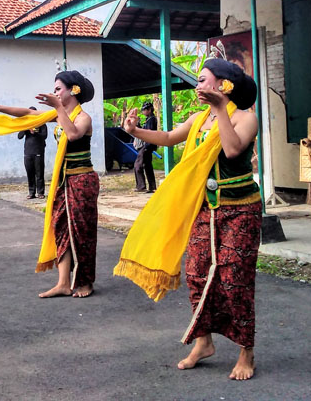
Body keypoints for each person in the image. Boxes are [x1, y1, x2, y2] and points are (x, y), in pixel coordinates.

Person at [119, 58, 260, 380]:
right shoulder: (198, 119)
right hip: (203, 208)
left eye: (203, 80)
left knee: (234, 280)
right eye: (198, 81)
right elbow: (170, 137)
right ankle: (203, 342)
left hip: (240, 210)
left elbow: (233, 150)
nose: (198, 86)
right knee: (196, 274)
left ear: (224, 85)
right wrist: (135, 131)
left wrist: (221, 109)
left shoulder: (245, 118)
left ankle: (246, 351)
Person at [0, 70, 99, 298]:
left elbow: (72, 135)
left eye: (58, 89)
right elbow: (27, 113)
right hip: (63, 180)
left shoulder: (83, 118)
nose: (54, 93)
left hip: (82, 180)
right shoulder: (57, 114)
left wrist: (58, 108)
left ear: (74, 90)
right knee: (61, 228)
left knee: (82, 231)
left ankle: (85, 282)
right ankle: (63, 283)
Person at [18, 107, 47, 199]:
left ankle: (40, 193)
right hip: (28, 152)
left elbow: (44, 136)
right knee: (30, 173)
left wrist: (34, 133)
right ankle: (31, 193)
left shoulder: (41, 123)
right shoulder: (26, 124)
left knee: (39, 173)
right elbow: (19, 136)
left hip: (38, 151)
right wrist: (25, 127)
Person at [133, 101, 157, 193]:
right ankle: (152, 186)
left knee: (138, 165)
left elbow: (148, 133)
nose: (143, 112)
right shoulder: (149, 119)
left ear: (149, 110)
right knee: (147, 166)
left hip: (147, 145)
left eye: (145, 110)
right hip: (148, 145)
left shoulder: (151, 120)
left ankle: (141, 186)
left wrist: (147, 146)